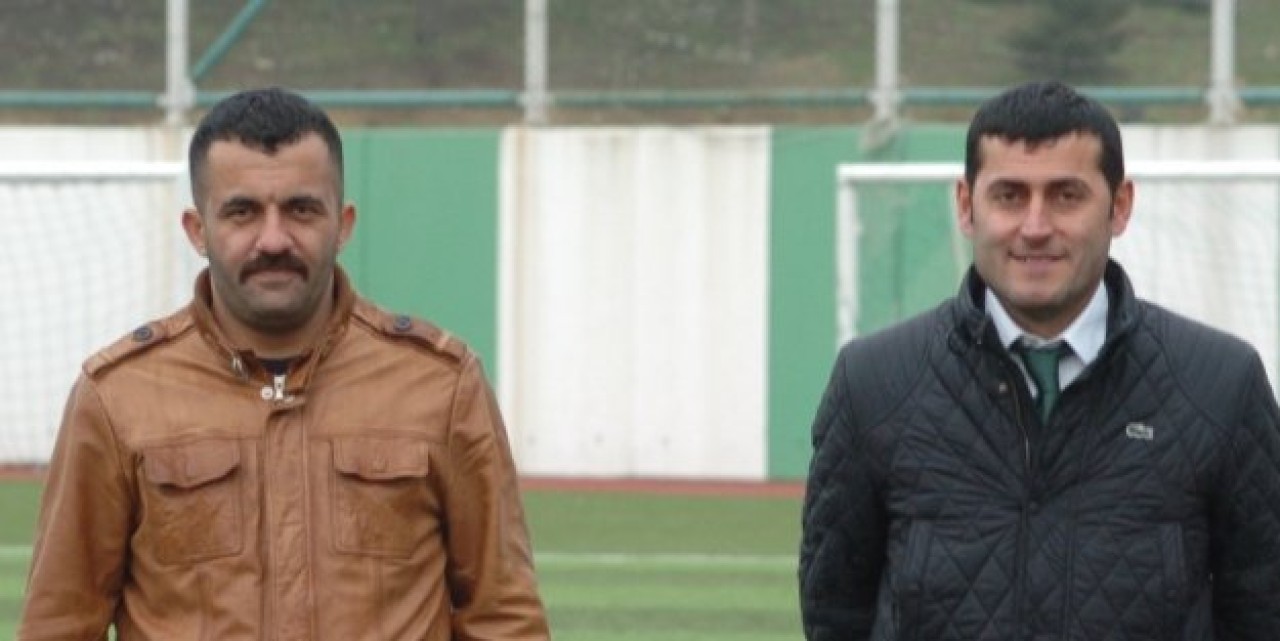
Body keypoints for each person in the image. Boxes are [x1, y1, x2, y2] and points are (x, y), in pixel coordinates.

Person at [19, 87, 550, 640]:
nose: (273, 240)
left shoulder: (440, 385)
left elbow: (504, 619)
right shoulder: (118, 397)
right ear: (197, 230)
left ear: (343, 224)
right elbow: (59, 624)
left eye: (301, 209)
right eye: (242, 212)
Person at [799, 80, 1280, 640]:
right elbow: (834, 613)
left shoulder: (1220, 386)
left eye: (1066, 196)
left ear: (1120, 205)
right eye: (1009, 196)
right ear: (966, 205)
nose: (1035, 227)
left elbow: (1264, 611)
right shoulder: (872, 384)